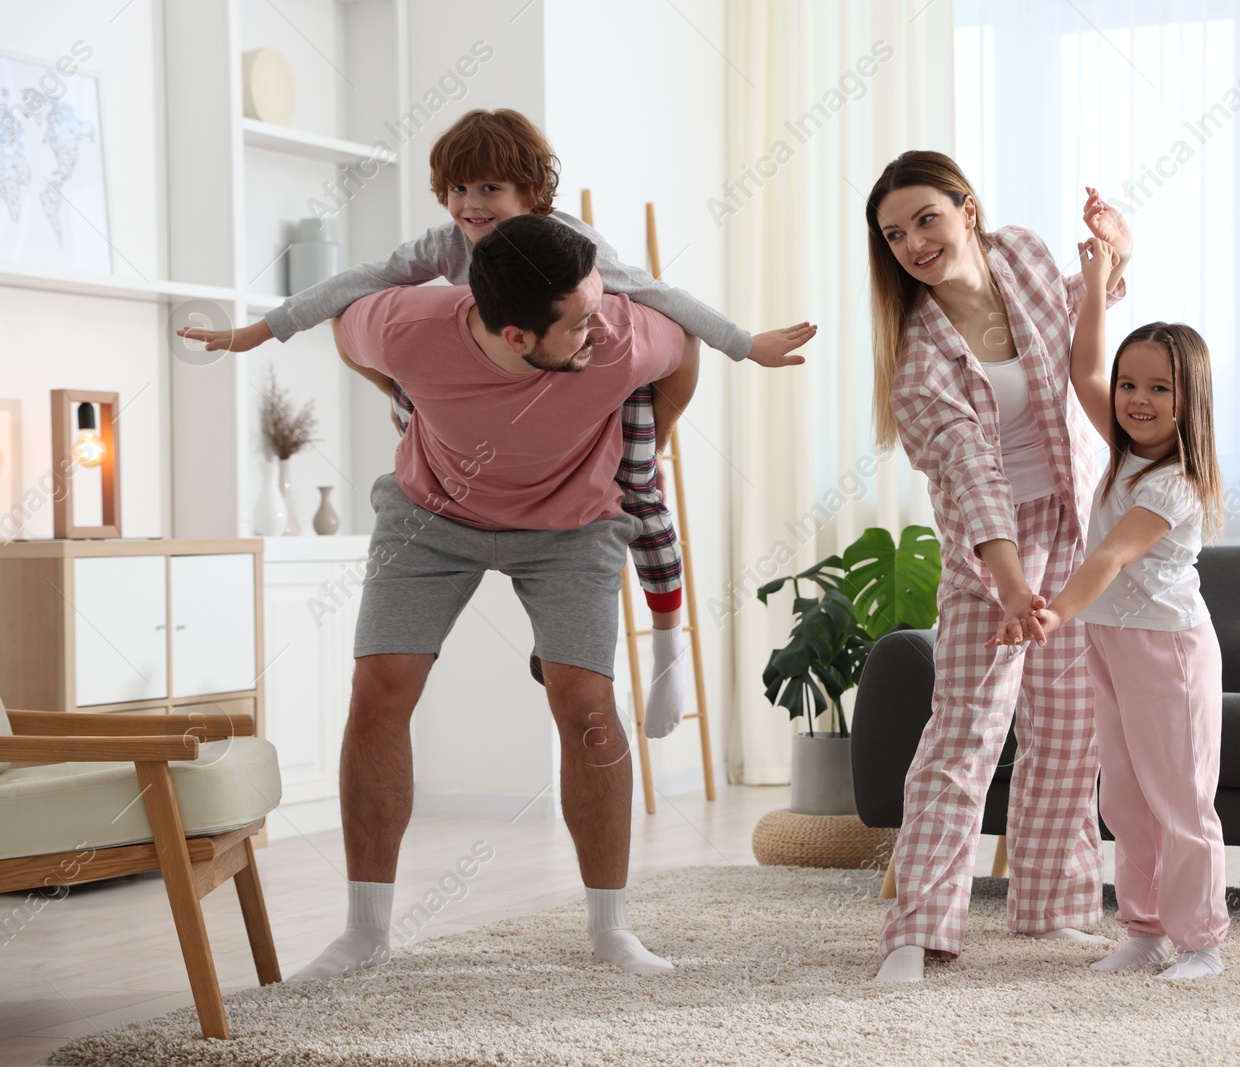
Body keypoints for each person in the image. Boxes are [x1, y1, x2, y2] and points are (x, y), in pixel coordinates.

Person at [178, 108, 815, 739]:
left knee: (641, 494)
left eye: (490, 188)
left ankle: (667, 648)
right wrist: (259, 330)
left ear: (533, 195)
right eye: (458, 188)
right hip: (474, 402)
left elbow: (657, 295)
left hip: (581, 375)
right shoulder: (448, 245)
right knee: (418, 397)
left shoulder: (570, 250)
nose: (470, 204)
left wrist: (743, 343)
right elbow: (358, 284)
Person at [289, 213, 693, 981]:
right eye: (578, 321)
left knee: (586, 702)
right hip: (432, 514)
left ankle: (612, 928)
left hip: (572, 522)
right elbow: (346, 328)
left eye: (599, 303)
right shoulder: (409, 326)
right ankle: (365, 931)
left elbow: (686, 344)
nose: (601, 327)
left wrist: (653, 434)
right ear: (515, 336)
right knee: (379, 688)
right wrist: (412, 396)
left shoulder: (618, 333)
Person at [865, 149, 1131, 983]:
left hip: (1070, 517)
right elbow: (972, 477)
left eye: (925, 219)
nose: (913, 243)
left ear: (966, 209)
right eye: (895, 234)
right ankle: (918, 929)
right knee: (965, 734)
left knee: (1068, 724)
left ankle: (1051, 908)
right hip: (992, 550)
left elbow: (1084, 328)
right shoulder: (917, 356)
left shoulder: (1021, 253)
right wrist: (1011, 584)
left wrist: (1115, 257)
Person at [991, 322, 1229, 980]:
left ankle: (1202, 942)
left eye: (1159, 387)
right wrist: (1096, 280)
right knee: (1124, 799)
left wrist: (1051, 613)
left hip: (1168, 650)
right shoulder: (1126, 455)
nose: (1136, 399)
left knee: (1180, 800)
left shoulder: (1173, 483)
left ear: (1191, 400)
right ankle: (1145, 929)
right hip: (1111, 644)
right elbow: (1085, 369)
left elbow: (1112, 556)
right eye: (1130, 385)